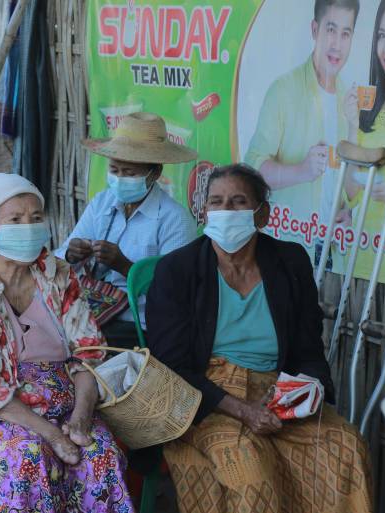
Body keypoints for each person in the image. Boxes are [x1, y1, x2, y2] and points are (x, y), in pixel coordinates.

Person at [146, 164, 373, 513]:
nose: (227, 211)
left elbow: (308, 346)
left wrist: (304, 389)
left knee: (346, 446)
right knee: (249, 466)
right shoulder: (177, 270)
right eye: (217, 202)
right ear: (204, 211)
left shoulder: (289, 261)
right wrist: (243, 410)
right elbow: (171, 368)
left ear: (262, 213)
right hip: (207, 397)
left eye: (239, 202)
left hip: (276, 390)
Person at [0, 173, 134, 512]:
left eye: (36, 218)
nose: (28, 226)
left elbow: (88, 351)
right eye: (15, 219)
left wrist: (81, 418)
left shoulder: (57, 274)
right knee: (27, 455)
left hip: (66, 404)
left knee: (100, 452)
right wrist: (53, 435)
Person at [55, 111, 196, 347]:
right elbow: (60, 257)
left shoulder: (174, 219)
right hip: (93, 309)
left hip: (139, 323)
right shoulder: (102, 202)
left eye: (130, 173)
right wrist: (72, 254)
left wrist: (125, 266)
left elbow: (176, 293)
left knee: (69, 345)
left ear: (155, 173)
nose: (120, 179)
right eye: (115, 170)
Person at [245, 0, 359, 266]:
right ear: (314, 29)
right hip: (288, 246)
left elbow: (348, 189)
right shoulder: (283, 91)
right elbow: (252, 169)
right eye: (331, 30)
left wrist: (346, 210)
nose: (337, 44)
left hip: (332, 250)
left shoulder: (346, 97)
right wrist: (302, 170)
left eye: (346, 33)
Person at [346, 0, 385, 281]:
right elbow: (351, 194)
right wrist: (352, 127)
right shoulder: (371, 103)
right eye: (382, 36)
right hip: (363, 255)